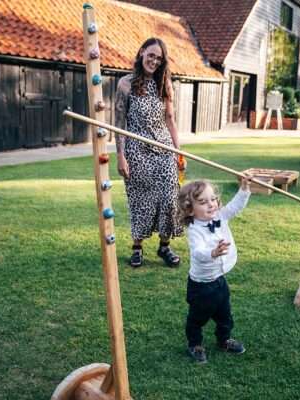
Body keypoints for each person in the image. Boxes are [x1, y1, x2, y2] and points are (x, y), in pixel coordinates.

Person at [114, 38, 184, 268]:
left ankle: (164, 247)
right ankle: (137, 248)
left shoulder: (164, 83)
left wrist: (178, 152)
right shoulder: (125, 84)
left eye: (159, 58)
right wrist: (121, 156)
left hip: (164, 149)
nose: (154, 61)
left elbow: (171, 120)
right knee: (141, 199)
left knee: (170, 198)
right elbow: (119, 123)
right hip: (137, 150)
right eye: (151, 55)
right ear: (142, 51)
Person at [177, 177, 252, 363]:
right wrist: (212, 252)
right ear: (189, 209)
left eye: (213, 199)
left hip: (219, 280)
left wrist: (244, 189)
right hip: (201, 285)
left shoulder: (220, 216)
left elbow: (235, 207)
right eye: (202, 202)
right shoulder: (195, 229)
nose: (211, 204)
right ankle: (195, 344)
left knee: (225, 313)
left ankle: (224, 339)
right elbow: (198, 252)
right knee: (197, 318)